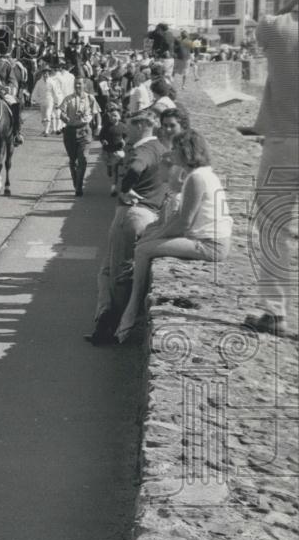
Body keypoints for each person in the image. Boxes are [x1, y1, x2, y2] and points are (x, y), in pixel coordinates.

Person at [114, 130, 233, 341]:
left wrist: (153, 239)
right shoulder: (201, 174)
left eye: (176, 148)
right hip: (207, 240)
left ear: (187, 151)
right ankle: (133, 311)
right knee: (145, 245)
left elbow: (184, 224)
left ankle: (131, 311)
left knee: (142, 250)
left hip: (210, 245)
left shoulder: (196, 178)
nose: (172, 152)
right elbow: (178, 218)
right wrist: (154, 235)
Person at [241, 0, 299, 336]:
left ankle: (276, 313)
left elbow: (262, 28)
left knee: (273, 227)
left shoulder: (275, 28)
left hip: (283, 142)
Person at [86, 111, 168, 344]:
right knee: (119, 271)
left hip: (131, 213)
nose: (125, 130)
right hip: (151, 214)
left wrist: (125, 189)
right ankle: (108, 323)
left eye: (130, 126)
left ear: (142, 126)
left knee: (113, 272)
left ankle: (110, 327)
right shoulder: (161, 148)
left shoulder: (143, 150)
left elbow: (135, 168)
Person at [57, 73, 101, 196]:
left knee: (83, 158)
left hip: (84, 131)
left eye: (80, 84)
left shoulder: (90, 98)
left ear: (84, 85)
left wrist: (98, 127)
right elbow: (61, 113)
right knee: (73, 160)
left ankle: (79, 186)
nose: (77, 86)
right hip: (70, 132)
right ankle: (76, 181)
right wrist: (65, 118)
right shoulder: (68, 98)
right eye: (76, 84)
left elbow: (97, 113)